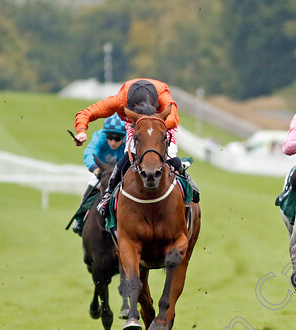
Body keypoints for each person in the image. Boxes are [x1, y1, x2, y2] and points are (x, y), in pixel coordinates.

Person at [71, 78, 198, 216]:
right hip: (136, 126)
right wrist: (82, 130)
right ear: (128, 105)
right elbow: (87, 113)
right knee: (128, 157)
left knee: (170, 157)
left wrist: (153, 130)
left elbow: (173, 117)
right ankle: (108, 195)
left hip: (161, 124)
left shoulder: (162, 93)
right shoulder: (120, 100)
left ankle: (186, 179)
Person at [68, 113, 126, 235]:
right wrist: (96, 170)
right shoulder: (99, 136)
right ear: (105, 134)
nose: (113, 142)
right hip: (102, 173)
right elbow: (89, 153)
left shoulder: (130, 140)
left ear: (124, 137)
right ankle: (80, 218)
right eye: (110, 137)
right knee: (90, 192)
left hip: (122, 174)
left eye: (118, 138)